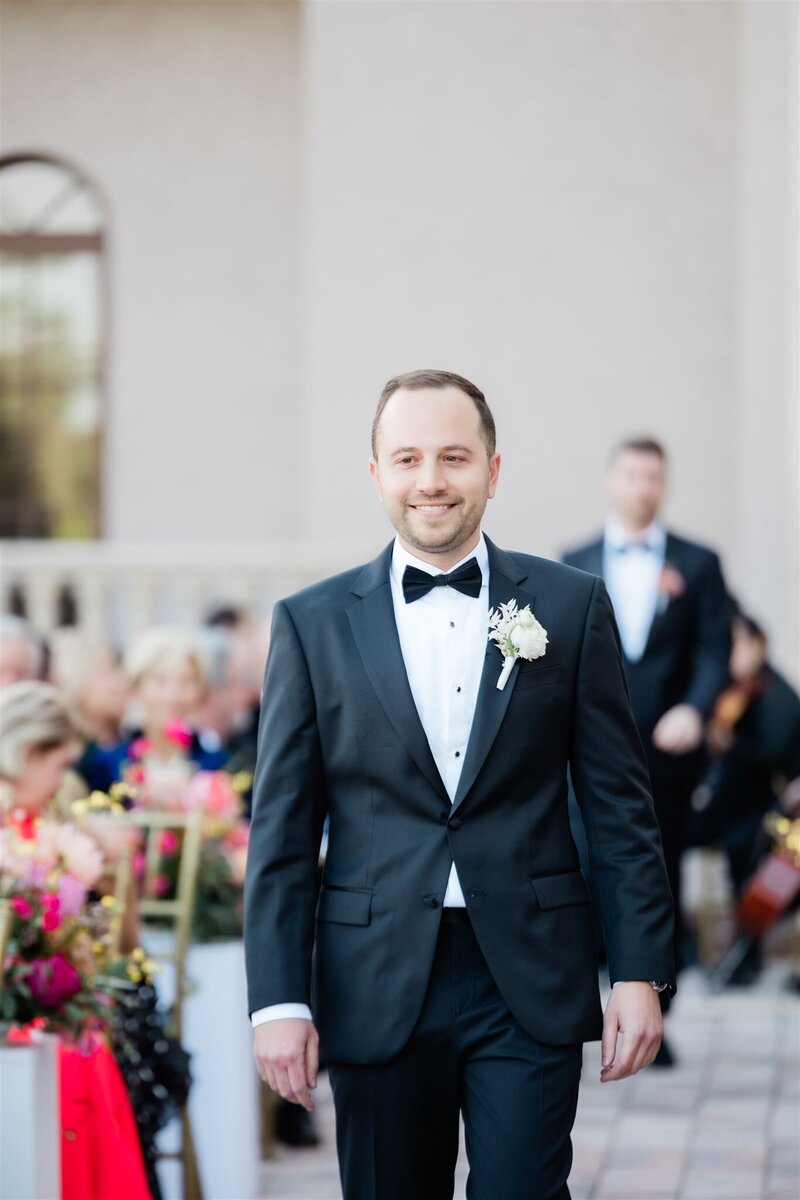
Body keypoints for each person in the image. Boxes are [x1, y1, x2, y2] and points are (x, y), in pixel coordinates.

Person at [244, 371, 674, 1200]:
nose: (431, 480)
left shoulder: (569, 605)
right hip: (373, 977)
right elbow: (283, 833)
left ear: (493, 470)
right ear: (377, 474)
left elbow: (621, 807)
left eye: (453, 457)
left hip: (529, 972)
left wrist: (638, 971)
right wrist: (276, 1003)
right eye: (407, 458)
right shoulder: (311, 622)